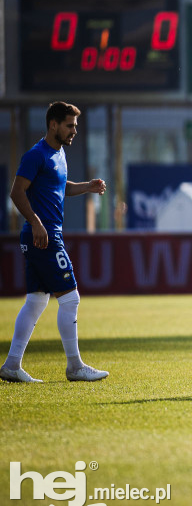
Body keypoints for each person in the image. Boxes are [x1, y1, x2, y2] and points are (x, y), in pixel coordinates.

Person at [1, 101, 108, 383]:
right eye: (70, 125)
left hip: (43, 233)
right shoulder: (36, 155)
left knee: (36, 301)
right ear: (53, 125)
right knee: (70, 297)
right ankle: (74, 366)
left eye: (75, 126)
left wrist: (88, 186)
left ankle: (12, 365)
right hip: (44, 234)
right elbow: (16, 192)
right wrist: (36, 222)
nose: (74, 131)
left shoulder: (58, 153)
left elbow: (60, 186)